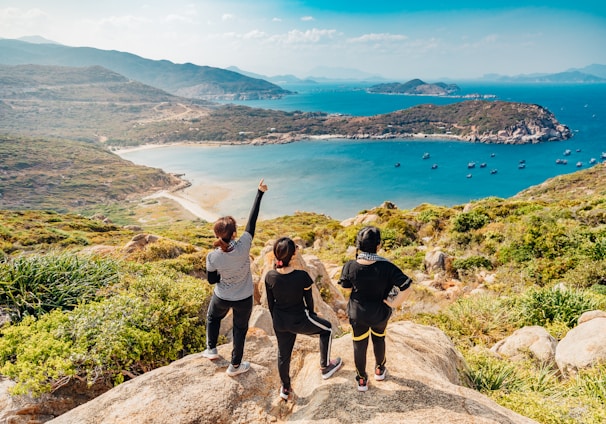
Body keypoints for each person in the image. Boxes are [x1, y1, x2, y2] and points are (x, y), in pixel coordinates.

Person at [202, 179, 268, 377]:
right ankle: (235, 366)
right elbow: (252, 221)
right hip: (244, 298)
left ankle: (211, 350)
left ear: (216, 234)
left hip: (222, 296)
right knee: (240, 330)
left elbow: (212, 281)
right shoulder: (244, 245)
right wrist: (259, 192)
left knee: (213, 318)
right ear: (235, 233)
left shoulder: (213, 256)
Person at [265, 237, 343, 400]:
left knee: (283, 355)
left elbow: (271, 303)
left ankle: (285, 388)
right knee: (327, 328)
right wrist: (313, 316)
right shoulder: (301, 276)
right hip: (299, 319)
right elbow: (309, 301)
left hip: (280, 321)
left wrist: (277, 320)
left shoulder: (270, 276)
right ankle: (326, 366)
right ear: (293, 255)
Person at [338, 226, 412, 392]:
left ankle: (362, 380)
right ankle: (379, 369)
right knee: (379, 339)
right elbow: (407, 287)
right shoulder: (388, 267)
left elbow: (346, 287)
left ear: (358, 245)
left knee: (359, 345)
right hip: (380, 313)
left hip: (358, 314)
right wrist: (394, 304)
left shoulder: (350, 266)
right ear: (378, 245)